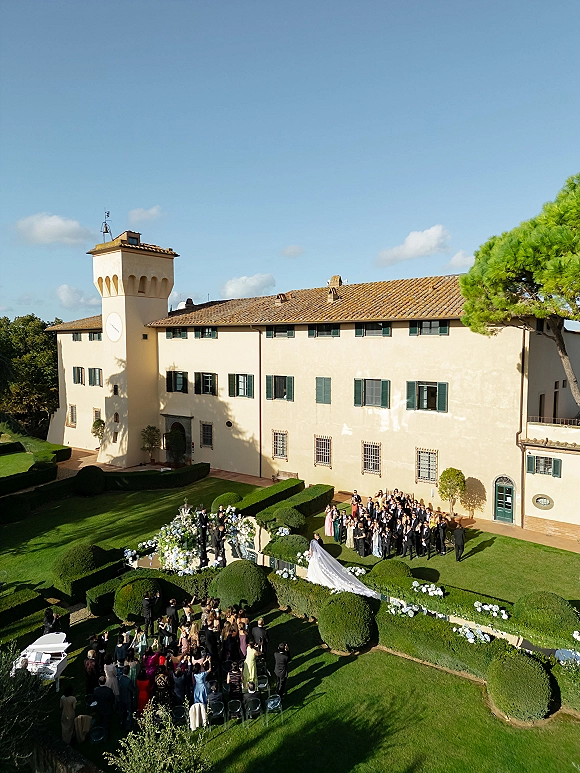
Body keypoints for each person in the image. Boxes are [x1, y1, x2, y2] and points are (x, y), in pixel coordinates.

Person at [306, 539, 379, 598]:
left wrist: (308, 555)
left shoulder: (312, 548)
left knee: (317, 570)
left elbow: (312, 553)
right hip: (316, 560)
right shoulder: (317, 548)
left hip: (314, 560)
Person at [118, 665, 136, 729]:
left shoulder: (120, 678)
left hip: (121, 697)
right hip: (128, 698)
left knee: (122, 711)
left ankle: (121, 722)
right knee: (129, 712)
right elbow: (133, 689)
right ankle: (128, 726)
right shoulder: (128, 681)